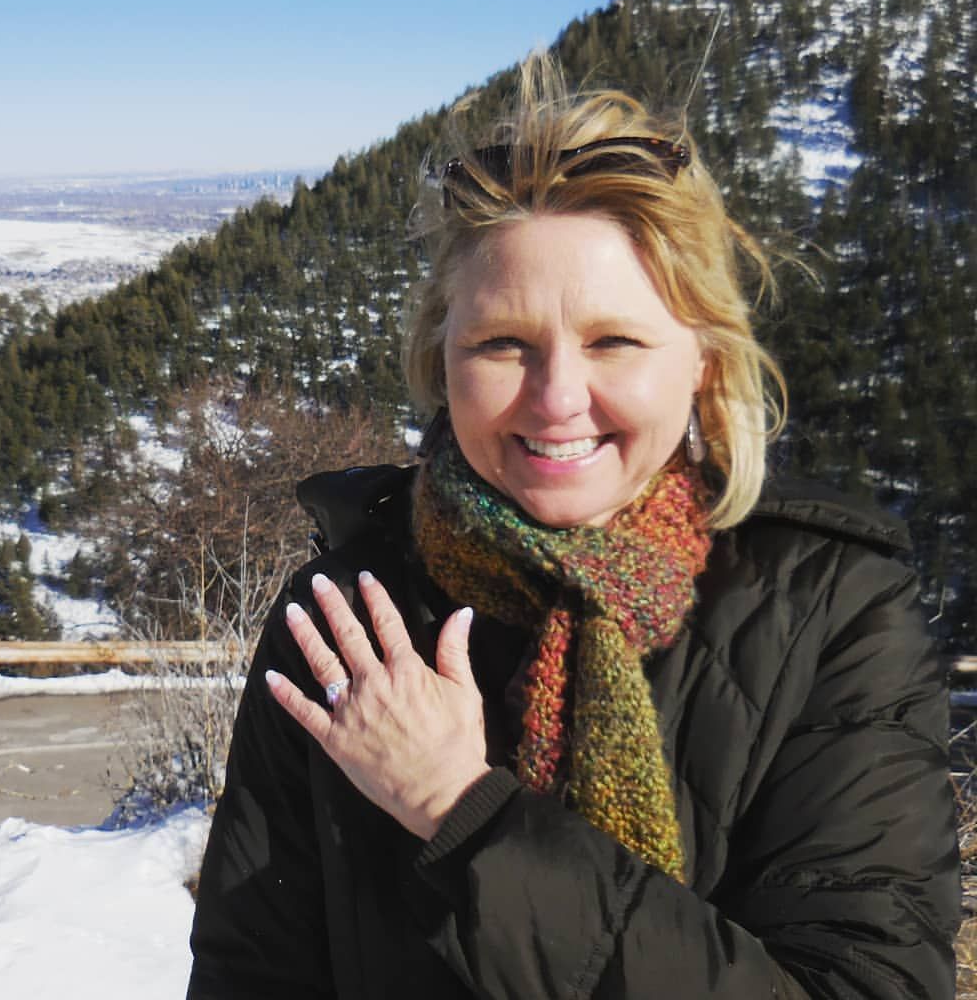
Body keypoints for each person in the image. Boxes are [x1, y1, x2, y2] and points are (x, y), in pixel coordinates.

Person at [186, 56, 961, 998]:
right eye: (502, 343)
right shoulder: (349, 611)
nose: (557, 400)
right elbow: (251, 971)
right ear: (443, 359)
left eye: (615, 342)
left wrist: (460, 812)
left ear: (703, 366)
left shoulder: (829, 612)